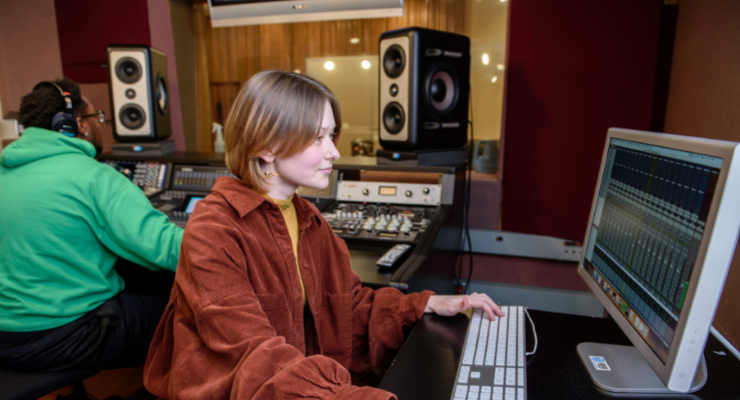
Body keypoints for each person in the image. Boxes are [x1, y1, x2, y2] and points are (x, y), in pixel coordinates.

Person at [143, 71, 503, 400]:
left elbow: (346, 308)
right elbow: (252, 355)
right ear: (267, 145)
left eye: (331, 135)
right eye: (317, 138)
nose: (334, 151)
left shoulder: (308, 217)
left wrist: (423, 304)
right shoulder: (213, 229)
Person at [0, 79, 183, 396]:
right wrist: (218, 229)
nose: (100, 125)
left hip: (7, 335)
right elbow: (169, 250)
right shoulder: (91, 176)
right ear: (79, 125)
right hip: (64, 335)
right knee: (187, 314)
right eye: (98, 117)